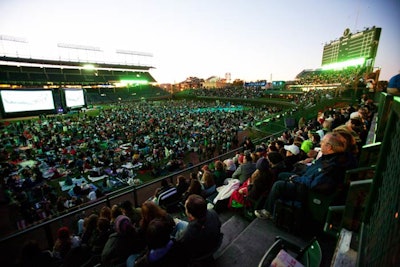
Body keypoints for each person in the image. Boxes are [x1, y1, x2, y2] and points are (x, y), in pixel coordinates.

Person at [255, 132, 357, 220]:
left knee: (278, 185)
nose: (320, 144)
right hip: (304, 180)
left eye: (323, 143)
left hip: (306, 191)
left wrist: (296, 179)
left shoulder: (333, 165)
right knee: (281, 174)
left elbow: (315, 184)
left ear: (329, 147)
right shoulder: (330, 158)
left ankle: (267, 211)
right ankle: (273, 204)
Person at [177, 194, 222, 260]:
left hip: (200, 255)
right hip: (215, 244)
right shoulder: (213, 213)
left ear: (190, 214)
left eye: (185, 208)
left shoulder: (186, 234)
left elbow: (183, 250)